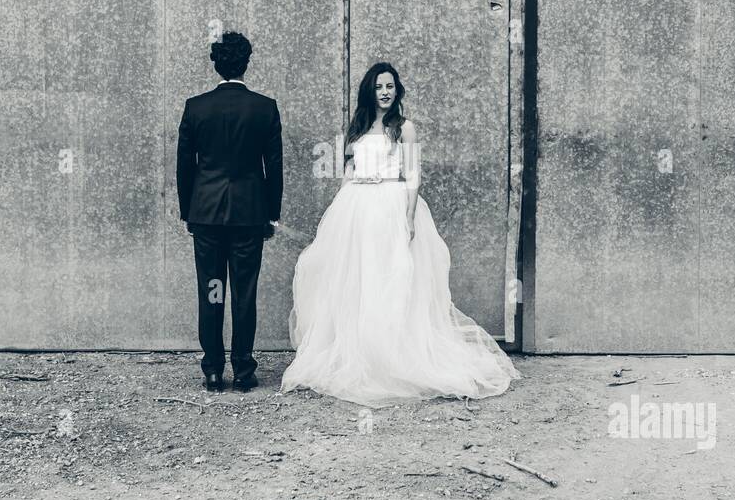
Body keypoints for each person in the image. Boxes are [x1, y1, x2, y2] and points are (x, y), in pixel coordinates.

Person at [281, 61, 518, 407]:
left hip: (392, 204)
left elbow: (413, 175)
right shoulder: (358, 127)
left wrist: (408, 218)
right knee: (358, 279)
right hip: (358, 205)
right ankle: (360, 351)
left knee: (392, 277)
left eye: (390, 86)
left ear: (397, 89)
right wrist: (339, 216)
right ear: (369, 91)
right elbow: (349, 170)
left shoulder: (405, 128)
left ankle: (392, 354)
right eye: (379, 87)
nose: (385, 92)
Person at [176, 30, 282, 392]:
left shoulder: (196, 107)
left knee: (212, 289)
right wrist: (272, 213)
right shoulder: (264, 107)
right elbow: (274, 167)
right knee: (244, 291)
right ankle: (243, 369)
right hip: (249, 214)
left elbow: (184, 167)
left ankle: (212, 369)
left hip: (206, 215)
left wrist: (187, 211)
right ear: (246, 62)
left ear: (217, 65)